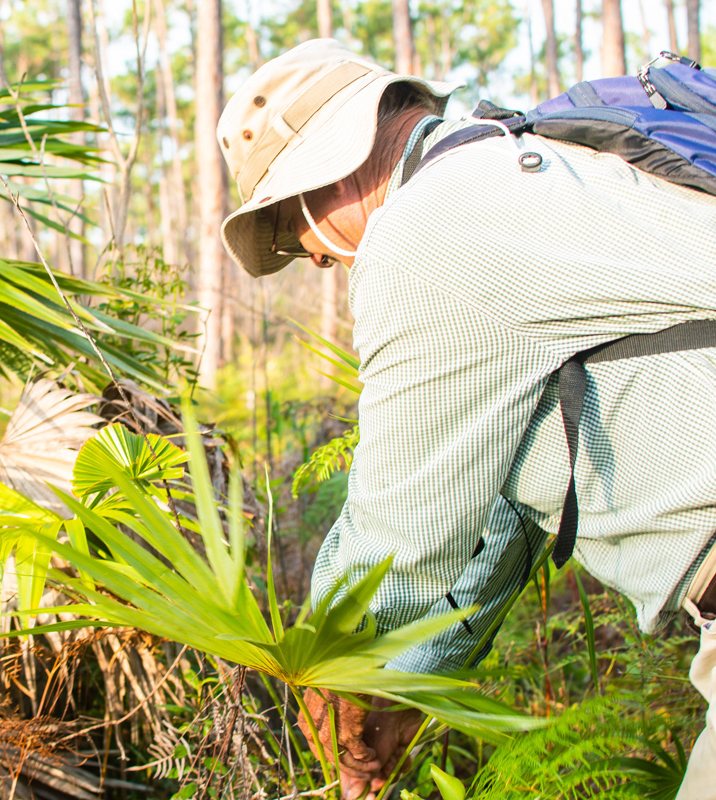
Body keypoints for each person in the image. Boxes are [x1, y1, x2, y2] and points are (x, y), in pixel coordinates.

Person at [216, 39, 716, 799]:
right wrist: (406, 692)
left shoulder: (426, 234)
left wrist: (329, 665)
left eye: (290, 226)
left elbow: (401, 533)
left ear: (327, 174)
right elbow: (497, 518)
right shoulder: (501, 171)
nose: (311, 258)